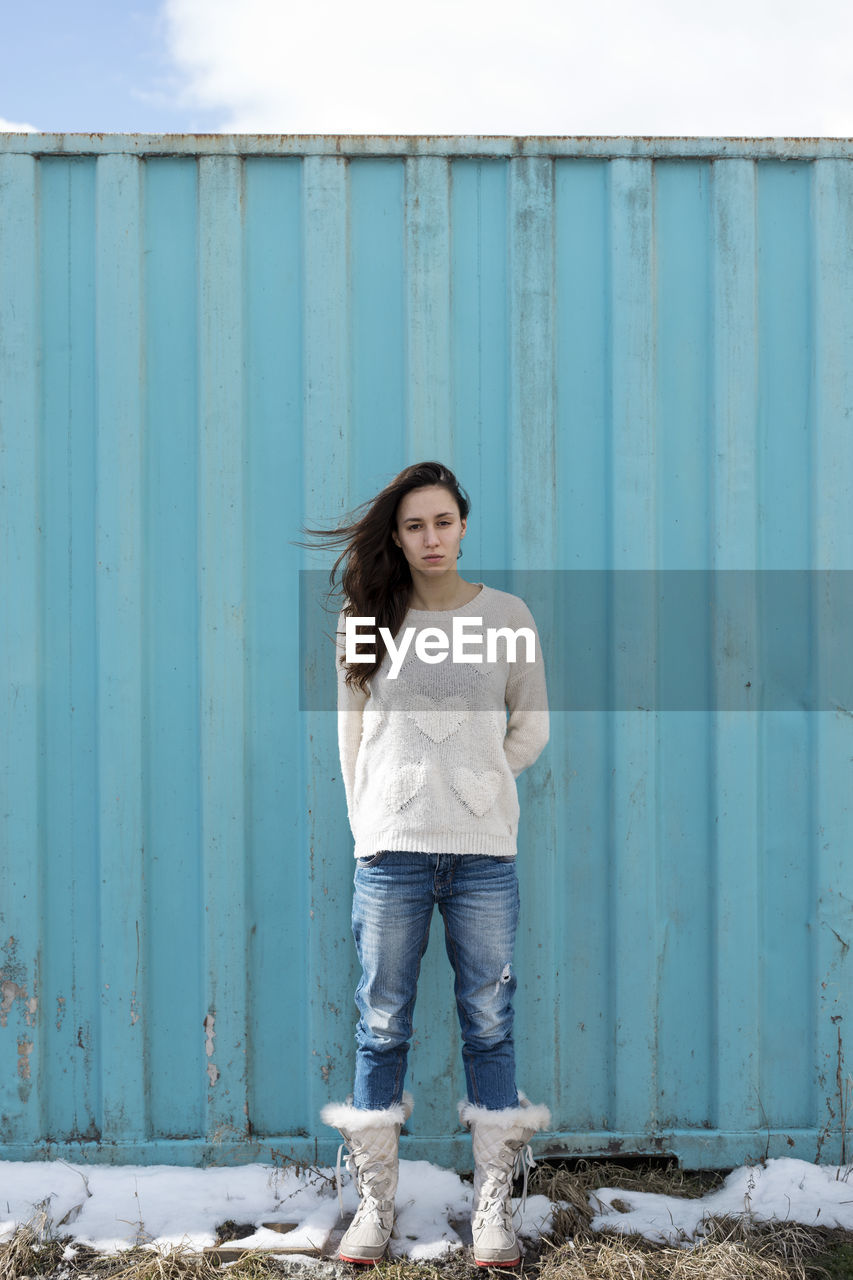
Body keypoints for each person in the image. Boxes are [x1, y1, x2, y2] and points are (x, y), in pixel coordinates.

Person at [304, 461, 551, 1267]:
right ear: (398, 536)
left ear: (463, 526)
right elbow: (353, 740)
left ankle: (492, 1213)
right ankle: (375, 1206)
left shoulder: (508, 615)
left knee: (489, 1019)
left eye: (442, 522)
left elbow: (531, 727)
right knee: (381, 1022)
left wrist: (479, 785)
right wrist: (371, 823)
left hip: (484, 855)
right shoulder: (367, 616)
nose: (429, 538)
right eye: (414, 526)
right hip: (392, 853)